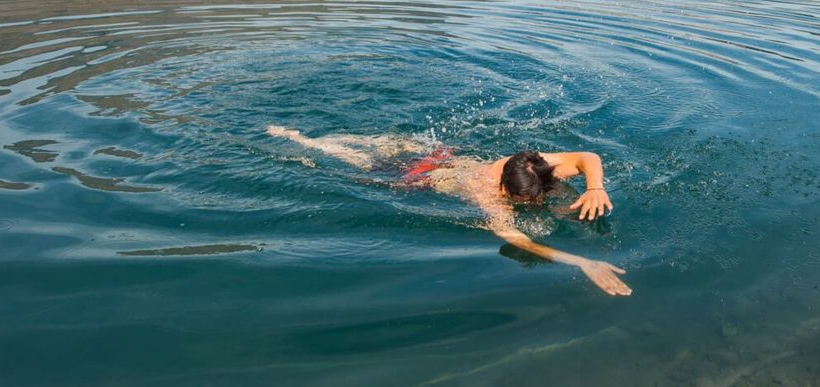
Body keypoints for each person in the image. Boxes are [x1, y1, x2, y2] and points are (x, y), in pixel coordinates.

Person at [266, 126, 631, 296]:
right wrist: (581, 261)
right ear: (505, 190)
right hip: (419, 179)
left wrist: (595, 187)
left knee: (390, 144)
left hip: (446, 159)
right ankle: (300, 139)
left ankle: (333, 137)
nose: (533, 204)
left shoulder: (534, 163)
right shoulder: (486, 193)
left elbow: (589, 157)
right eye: (524, 201)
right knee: (360, 161)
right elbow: (514, 238)